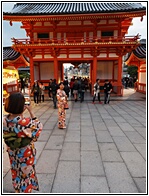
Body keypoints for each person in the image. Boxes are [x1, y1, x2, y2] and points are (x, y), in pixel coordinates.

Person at [3, 92, 43, 193]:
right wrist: (31, 112)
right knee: (26, 176)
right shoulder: (25, 122)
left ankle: (17, 190)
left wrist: (19, 112)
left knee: (16, 172)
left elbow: (13, 120)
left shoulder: (4, 120)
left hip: (12, 152)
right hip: (25, 154)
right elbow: (38, 127)